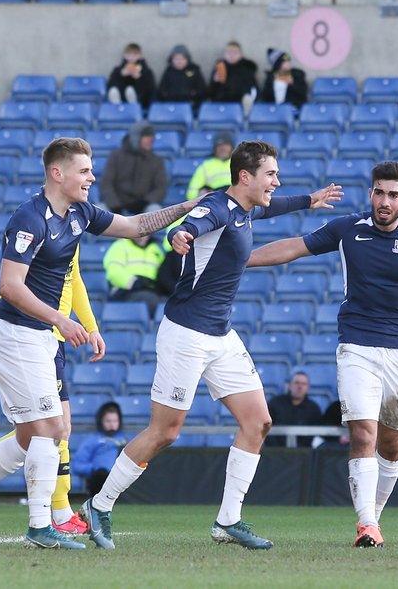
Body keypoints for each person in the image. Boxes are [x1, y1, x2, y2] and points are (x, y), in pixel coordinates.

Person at [76, 141, 342, 551]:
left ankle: (228, 521)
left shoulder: (246, 207)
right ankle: (100, 504)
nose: (277, 181)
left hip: (221, 335)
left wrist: (311, 199)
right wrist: (180, 236)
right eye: (271, 174)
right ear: (245, 177)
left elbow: (276, 205)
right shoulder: (217, 207)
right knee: (166, 432)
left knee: (258, 422)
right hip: (185, 334)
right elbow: (193, 223)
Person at [0, 137, 195, 550]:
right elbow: (9, 286)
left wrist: (183, 208)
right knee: (53, 428)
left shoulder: (80, 213)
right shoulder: (29, 218)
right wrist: (62, 319)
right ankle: (41, 525)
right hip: (15, 335)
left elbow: (133, 226)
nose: (93, 177)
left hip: (39, 337)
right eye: (85, 170)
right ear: (58, 173)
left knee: (29, 437)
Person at [248, 160, 398, 548]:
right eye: (379, 192)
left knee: (392, 445)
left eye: (393, 195)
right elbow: (295, 247)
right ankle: (366, 525)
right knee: (363, 432)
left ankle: (373, 518)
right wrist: (242, 258)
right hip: (356, 346)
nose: (384, 201)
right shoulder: (348, 228)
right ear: (371, 194)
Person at [0, 243, 101, 535]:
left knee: (55, 427)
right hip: (31, 336)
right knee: (50, 427)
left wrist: (92, 327)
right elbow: (13, 284)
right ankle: (58, 514)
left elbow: (73, 278)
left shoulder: (71, 228)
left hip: (53, 338)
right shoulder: (37, 228)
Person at [99, 120, 168, 215]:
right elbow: (106, 184)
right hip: (116, 205)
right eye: (146, 136)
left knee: (155, 210)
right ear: (136, 137)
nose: (150, 140)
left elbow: (160, 188)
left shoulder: (156, 161)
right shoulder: (116, 156)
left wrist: (145, 202)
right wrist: (115, 205)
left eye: (151, 136)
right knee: (99, 210)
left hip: (143, 206)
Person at [72, 402, 130, 497]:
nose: (112, 424)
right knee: (101, 474)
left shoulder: (126, 440)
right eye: (108, 421)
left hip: (121, 480)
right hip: (100, 480)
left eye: (115, 421)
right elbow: (77, 465)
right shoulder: (92, 440)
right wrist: (94, 469)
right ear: (101, 421)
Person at [102, 233, 168, 313]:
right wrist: (133, 282)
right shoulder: (120, 246)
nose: (143, 237)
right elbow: (114, 272)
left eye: (147, 233)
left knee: (168, 303)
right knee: (157, 302)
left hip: (151, 290)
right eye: (141, 234)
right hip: (125, 292)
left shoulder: (156, 249)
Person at [265, 372, 323, 448]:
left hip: (305, 455)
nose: (300, 386)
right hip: (275, 453)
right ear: (289, 385)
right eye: (297, 383)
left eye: (303, 384)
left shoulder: (314, 409)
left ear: (308, 388)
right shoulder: (275, 403)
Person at [208, 41, 259, 113]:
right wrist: (215, 82)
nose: (231, 55)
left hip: (241, 104)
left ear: (240, 55)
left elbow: (254, 90)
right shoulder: (219, 68)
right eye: (228, 53)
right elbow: (211, 93)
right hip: (221, 103)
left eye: (235, 53)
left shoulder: (247, 69)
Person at [156, 44, 207, 110]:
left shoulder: (194, 70)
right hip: (171, 106)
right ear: (172, 60)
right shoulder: (168, 72)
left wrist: (194, 94)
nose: (179, 62)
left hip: (191, 106)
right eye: (176, 59)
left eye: (183, 59)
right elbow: (161, 91)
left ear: (187, 59)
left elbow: (202, 90)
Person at [186, 131, 234, 199]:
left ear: (232, 147)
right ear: (215, 148)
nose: (223, 148)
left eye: (226, 145)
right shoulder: (205, 166)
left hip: (237, 199)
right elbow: (192, 191)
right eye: (220, 146)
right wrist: (198, 197)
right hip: (215, 200)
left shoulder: (239, 163)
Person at [107, 43, 156, 108]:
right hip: (121, 99)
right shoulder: (118, 70)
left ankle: (133, 109)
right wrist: (121, 75)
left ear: (140, 56)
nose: (131, 57)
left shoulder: (146, 71)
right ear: (124, 55)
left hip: (140, 101)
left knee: (130, 90)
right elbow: (110, 85)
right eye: (129, 54)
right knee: (113, 91)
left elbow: (151, 90)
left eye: (135, 55)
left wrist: (139, 78)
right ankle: (117, 109)